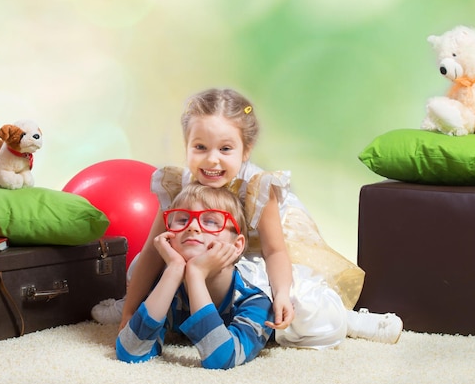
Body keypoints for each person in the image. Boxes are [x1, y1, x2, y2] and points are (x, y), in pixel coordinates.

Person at [94, 88, 403, 347]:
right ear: (187, 146)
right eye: (199, 147)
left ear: (245, 150)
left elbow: (274, 250)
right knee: (154, 273)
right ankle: (130, 302)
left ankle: (347, 319)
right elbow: (152, 249)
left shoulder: (256, 187)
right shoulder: (178, 184)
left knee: (295, 305)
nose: (212, 159)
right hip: (195, 260)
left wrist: (281, 293)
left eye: (225, 148)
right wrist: (130, 311)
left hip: (250, 261)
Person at [116, 183, 273, 369]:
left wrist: (196, 274)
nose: (192, 227)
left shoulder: (255, 298)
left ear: (237, 245)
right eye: (182, 220)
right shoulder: (168, 287)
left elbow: (222, 359)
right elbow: (130, 352)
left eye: (212, 221)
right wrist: (174, 268)